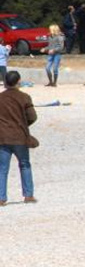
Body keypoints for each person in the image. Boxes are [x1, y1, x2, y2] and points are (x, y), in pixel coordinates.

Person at [0, 71, 38, 206]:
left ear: (5, 82)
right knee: (25, 165)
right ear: (19, 81)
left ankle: (1, 197)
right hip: (20, 137)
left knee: (2, 168)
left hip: (3, 137)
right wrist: (22, 124)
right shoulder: (24, 97)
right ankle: (28, 195)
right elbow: (32, 117)